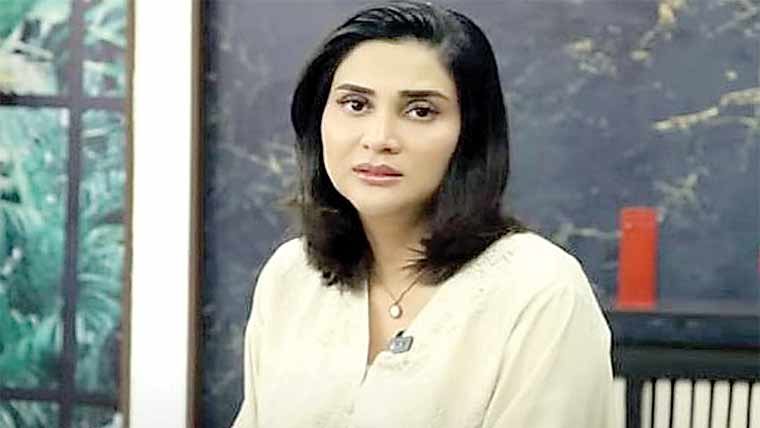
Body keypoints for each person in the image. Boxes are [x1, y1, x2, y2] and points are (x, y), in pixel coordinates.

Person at [231, 1, 616, 427]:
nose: (379, 138)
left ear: (470, 133)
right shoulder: (291, 276)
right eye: (355, 104)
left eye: (420, 111)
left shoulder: (540, 290)